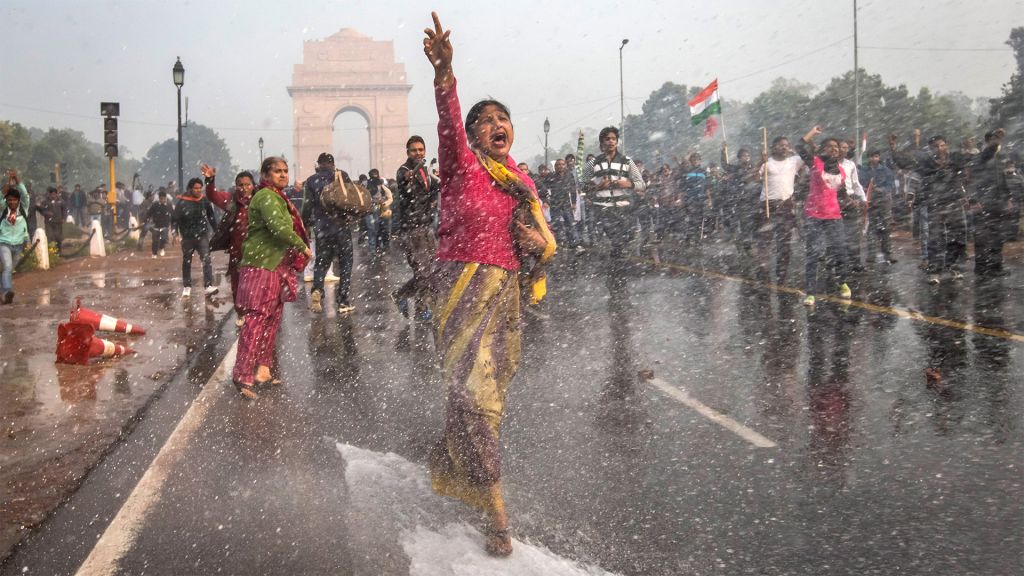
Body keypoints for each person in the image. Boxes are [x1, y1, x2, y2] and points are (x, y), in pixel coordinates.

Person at [423, 12, 554, 557]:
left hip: (505, 303)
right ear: (474, 135)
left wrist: (537, 244)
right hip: (461, 293)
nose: (498, 124)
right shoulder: (463, 167)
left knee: (483, 402)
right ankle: (498, 515)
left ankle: (457, 458)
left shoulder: (522, 183)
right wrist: (445, 77)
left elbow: (546, 246)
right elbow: (448, 123)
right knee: (476, 399)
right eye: (488, 120)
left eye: (505, 118)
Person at [232, 157, 311, 399]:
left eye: (285, 171)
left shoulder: (278, 197)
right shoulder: (266, 197)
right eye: (277, 171)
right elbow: (278, 228)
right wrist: (302, 246)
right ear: (265, 175)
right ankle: (242, 375)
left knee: (271, 321)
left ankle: (262, 370)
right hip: (261, 265)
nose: (283, 175)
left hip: (276, 265)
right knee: (256, 321)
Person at [797, 126, 853, 307]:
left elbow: (842, 192)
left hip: (834, 217)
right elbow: (800, 146)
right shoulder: (815, 162)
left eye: (836, 147)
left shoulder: (842, 171)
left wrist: (851, 201)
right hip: (814, 215)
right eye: (829, 146)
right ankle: (811, 292)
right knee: (813, 253)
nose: (834, 149)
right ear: (822, 150)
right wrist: (812, 132)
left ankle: (842, 282)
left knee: (840, 252)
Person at [393, 135, 440, 321]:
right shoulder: (403, 171)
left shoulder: (426, 173)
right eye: (414, 150)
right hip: (412, 228)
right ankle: (421, 308)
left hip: (426, 226)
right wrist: (409, 178)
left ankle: (402, 294)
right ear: (407, 152)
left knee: (432, 270)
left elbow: (437, 187)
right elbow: (404, 182)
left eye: (421, 150)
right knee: (423, 270)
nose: (418, 153)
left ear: (425, 151)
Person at [302, 153, 356, 314]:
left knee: (321, 262)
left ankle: (317, 290)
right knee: (345, 263)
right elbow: (353, 198)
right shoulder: (342, 176)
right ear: (333, 164)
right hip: (341, 226)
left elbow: (307, 205)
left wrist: (305, 223)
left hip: (322, 229)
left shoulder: (311, 180)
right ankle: (343, 301)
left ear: (319, 164)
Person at [201, 164, 257, 313]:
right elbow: (213, 196)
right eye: (240, 185)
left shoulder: (261, 200)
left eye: (247, 185)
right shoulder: (231, 200)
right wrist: (209, 180)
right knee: (237, 283)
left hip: (258, 251)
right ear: (236, 186)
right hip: (237, 251)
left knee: (257, 284)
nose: (244, 188)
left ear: (253, 185)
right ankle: (241, 312)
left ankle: (256, 313)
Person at [583, 126, 644, 263]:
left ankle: (616, 259)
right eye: (607, 139)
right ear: (601, 143)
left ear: (617, 142)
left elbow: (641, 184)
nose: (610, 142)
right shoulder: (592, 164)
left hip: (624, 206)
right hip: (603, 207)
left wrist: (628, 184)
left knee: (628, 235)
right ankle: (617, 263)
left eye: (613, 139)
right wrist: (598, 187)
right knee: (614, 235)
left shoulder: (627, 161)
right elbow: (581, 186)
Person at [969, 129, 1012, 278]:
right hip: (982, 202)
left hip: (996, 202)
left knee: (997, 236)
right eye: (995, 141)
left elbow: (1002, 179)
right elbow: (973, 181)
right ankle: (981, 268)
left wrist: (1007, 198)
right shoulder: (980, 157)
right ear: (988, 142)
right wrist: (974, 200)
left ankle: (996, 266)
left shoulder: (998, 159)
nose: (999, 144)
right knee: (981, 237)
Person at [172, 177, 218, 297]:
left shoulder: (204, 200)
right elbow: (175, 219)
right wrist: (174, 233)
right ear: (190, 189)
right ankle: (187, 286)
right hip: (187, 237)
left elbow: (211, 216)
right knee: (187, 260)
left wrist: (216, 230)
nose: (198, 190)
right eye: (195, 188)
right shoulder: (182, 202)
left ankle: (208, 285)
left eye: (200, 188)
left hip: (202, 235)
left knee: (206, 259)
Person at [859, 150, 897, 265]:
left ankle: (888, 253)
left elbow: (890, 185)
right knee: (872, 228)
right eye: (871, 156)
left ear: (879, 157)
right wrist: (865, 190)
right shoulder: (864, 171)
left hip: (883, 202)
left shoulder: (885, 171)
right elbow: (860, 184)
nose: (874, 159)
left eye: (876, 156)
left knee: (885, 227)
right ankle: (871, 254)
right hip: (870, 202)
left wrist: (880, 189)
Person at [1, 170, 30, 305]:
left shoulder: (23, 208)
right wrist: (7, 184)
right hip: (4, 243)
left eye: (14, 200)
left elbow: (24, 194)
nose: (12, 202)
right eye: (10, 200)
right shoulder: (3, 209)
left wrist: (17, 180)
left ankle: (2, 293)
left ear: (18, 201)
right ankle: (7, 291)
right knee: (7, 266)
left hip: (19, 245)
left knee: (11, 269)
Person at [365, 168, 393, 253]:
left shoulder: (382, 185)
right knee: (374, 230)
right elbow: (365, 198)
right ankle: (375, 248)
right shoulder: (367, 186)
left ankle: (383, 246)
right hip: (372, 209)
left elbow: (390, 197)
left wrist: (384, 203)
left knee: (382, 229)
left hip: (382, 209)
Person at [39, 186, 67, 253]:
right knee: (50, 237)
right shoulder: (45, 201)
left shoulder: (61, 201)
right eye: (52, 194)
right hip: (49, 223)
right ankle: (50, 252)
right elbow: (41, 210)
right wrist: (47, 213)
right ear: (50, 194)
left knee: (58, 237)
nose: (53, 195)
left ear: (57, 194)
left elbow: (64, 210)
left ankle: (59, 252)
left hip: (58, 222)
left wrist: (63, 218)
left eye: (55, 194)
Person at [146, 189, 173, 257]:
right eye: (161, 199)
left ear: (166, 198)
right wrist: (146, 220)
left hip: (165, 225)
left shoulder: (169, 205)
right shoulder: (155, 205)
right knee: (155, 240)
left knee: (163, 238)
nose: (162, 200)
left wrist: (173, 222)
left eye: (164, 199)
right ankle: (154, 253)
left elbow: (173, 214)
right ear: (159, 198)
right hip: (156, 226)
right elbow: (149, 213)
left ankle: (162, 248)